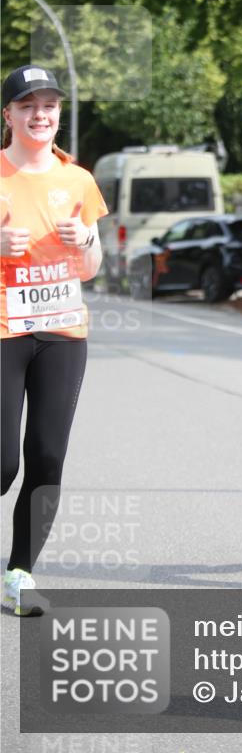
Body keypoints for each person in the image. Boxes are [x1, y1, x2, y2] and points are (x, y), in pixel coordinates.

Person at [1, 65, 107, 615]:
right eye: (27, 105)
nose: (39, 115)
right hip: (4, 331)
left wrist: (85, 239)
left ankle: (19, 572)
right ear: (9, 115)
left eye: (48, 105)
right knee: (3, 464)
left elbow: (91, 268)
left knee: (47, 456)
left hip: (63, 332)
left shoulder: (79, 180)